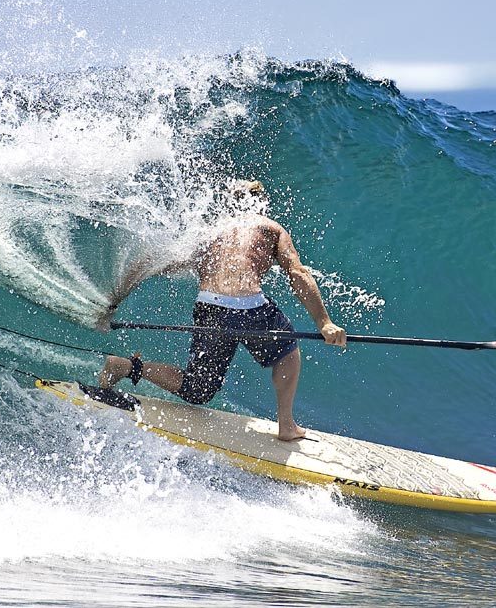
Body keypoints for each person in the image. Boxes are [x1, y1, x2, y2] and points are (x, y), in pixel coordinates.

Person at [95, 180, 346, 441]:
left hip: (209, 306)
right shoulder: (270, 227)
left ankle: (125, 366)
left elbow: (152, 263)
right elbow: (297, 273)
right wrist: (324, 322)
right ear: (259, 204)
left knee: (198, 389)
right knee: (287, 352)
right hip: (249, 308)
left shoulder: (209, 233)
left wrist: (115, 300)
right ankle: (287, 425)